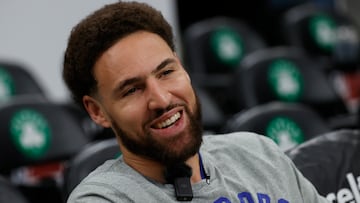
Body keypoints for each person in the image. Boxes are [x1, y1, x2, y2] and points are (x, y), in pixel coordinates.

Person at [63, 1, 329, 202]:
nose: (161, 99)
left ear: (183, 68)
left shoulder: (260, 153)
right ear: (98, 111)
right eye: (132, 90)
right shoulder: (103, 199)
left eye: (166, 72)